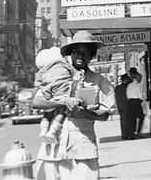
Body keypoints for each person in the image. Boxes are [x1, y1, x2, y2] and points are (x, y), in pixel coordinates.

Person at [31, 31, 117, 180]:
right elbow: (36, 102)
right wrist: (60, 102)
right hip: (53, 150)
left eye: (86, 53)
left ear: (92, 56)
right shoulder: (56, 74)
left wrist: (83, 112)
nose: (81, 56)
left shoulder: (100, 82)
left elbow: (105, 114)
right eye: (77, 52)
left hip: (83, 149)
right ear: (71, 53)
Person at [34, 47, 75, 145]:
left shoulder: (43, 70)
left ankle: (43, 131)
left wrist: (37, 91)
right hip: (61, 91)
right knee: (61, 111)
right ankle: (52, 131)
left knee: (47, 114)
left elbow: (37, 83)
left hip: (47, 91)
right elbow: (73, 74)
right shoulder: (65, 65)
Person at [126, 68, 146, 138]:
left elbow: (127, 96)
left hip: (130, 102)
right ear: (137, 78)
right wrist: (142, 100)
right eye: (140, 78)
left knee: (132, 118)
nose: (140, 79)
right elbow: (140, 95)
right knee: (141, 117)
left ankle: (132, 133)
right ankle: (138, 132)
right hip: (136, 102)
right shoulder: (137, 85)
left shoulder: (129, 85)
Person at [114, 74, 133, 140]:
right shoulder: (127, 87)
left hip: (120, 106)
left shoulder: (117, 88)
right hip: (127, 106)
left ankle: (124, 135)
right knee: (127, 121)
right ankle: (128, 134)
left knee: (123, 121)